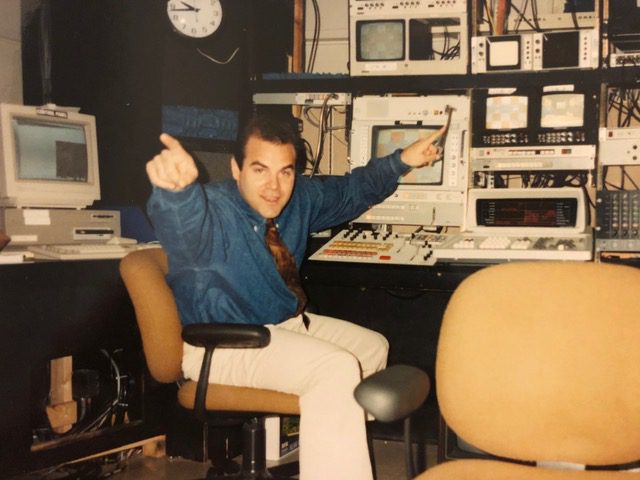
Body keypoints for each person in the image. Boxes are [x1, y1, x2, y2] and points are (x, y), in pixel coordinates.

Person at [146, 114, 444, 480]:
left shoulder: (298, 199)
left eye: (285, 172)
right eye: (260, 170)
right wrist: (177, 193)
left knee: (372, 350)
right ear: (236, 168)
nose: (274, 186)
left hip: (279, 328)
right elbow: (182, 227)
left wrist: (401, 161)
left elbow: (351, 190)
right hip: (223, 344)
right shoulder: (213, 209)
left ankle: (328, 454)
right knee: (335, 368)